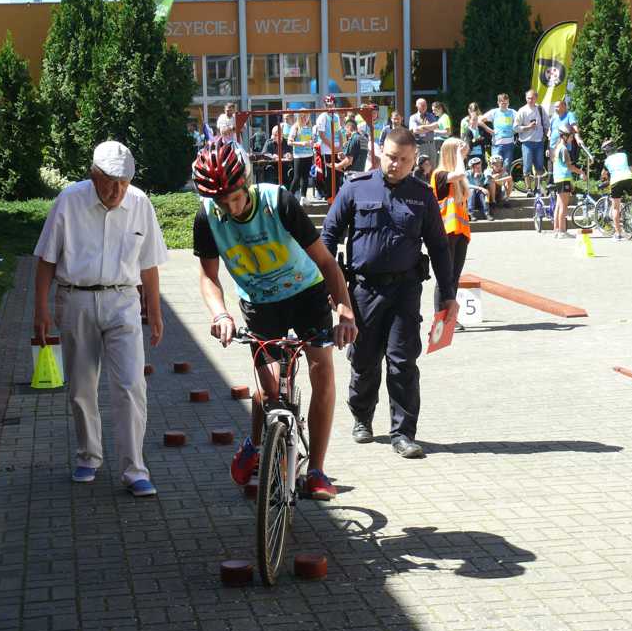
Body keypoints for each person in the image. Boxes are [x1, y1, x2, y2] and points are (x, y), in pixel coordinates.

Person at [191, 140, 358, 500]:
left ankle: (316, 470)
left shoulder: (277, 201)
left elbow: (327, 263)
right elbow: (208, 276)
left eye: (235, 197)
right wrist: (219, 313)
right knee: (268, 386)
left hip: (305, 293)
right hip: (259, 302)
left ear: (247, 182)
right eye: (222, 201)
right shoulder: (207, 217)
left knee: (321, 367)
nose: (231, 207)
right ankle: (256, 443)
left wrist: (344, 309)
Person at [33, 141, 169, 497]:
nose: (116, 191)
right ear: (93, 175)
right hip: (75, 298)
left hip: (123, 300)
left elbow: (149, 262)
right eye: (109, 182)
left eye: (123, 183)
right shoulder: (69, 200)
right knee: (81, 386)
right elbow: (46, 258)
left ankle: (134, 468)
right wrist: (41, 309)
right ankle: (89, 455)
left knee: (130, 385)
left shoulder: (139, 203)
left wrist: (154, 311)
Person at [321, 128, 458, 458]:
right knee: (365, 360)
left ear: (415, 161)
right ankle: (362, 418)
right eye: (391, 157)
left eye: (404, 160)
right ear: (380, 153)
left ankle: (403, 433)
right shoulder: (355, 188)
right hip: (363, 289)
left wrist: (448, 295)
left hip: (404, 290)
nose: (395, 164)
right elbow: (327, 238)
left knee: (402, 362)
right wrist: (331, 290)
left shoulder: (422, 195)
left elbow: (439, 247)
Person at [430, 137, 472, 314]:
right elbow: (460, 173)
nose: (462, 156)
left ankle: (449, 316)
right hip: (445, 232)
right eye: (458, 153)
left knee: (454, 277)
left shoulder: (458, 181)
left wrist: (462, 150)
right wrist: (458, 154)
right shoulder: (439, 174)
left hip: (461, 233)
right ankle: (440, 315)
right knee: (444, 278)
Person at [551, 126, 584, 239]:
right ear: (564, 136)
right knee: (564, 206)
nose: (572, 139)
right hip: (564, 178)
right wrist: (581, 172)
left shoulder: (557, 147)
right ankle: (562, 231)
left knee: (559, 205)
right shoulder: (563, 149)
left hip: (558, 178)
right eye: (570, 136)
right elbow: (569, 166)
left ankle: (556, 230)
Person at [515, 89, 548, 185]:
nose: (530, 100)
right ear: (525, 98)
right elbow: (515, 128)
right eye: (528, 98)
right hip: (527, 143)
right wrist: (527, 127)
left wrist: (546, 136)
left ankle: (538, 188)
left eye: (532, 98)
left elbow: (546, 124)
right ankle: (529, 189)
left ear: (536, 98)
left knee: (539, 166)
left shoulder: (541, 109)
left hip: (539, 142)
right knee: (527, 167)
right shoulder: (522, 110)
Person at [315, 94, 344, 199]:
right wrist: (332, 147)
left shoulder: (336, 116)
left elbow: (339, 132)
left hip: (336, 148)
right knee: (329, 174)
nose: (330, 107)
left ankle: (336, 194)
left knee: (338, 173)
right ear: (325, 106)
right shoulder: (322, 117)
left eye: (332, 104)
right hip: (327, 149)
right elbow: (321, 135)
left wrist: (340, 146)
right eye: (328, 105)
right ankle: (330, 196)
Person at [481, 93, 518, 170]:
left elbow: (521, 121)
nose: (504, 105)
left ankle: (505, 182)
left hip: (509, 144)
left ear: (508, 103)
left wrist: (515, 130)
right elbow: (479, 120)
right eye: (502, 103)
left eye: (506, 103)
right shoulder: (494, 112)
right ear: (498, 103)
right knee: (495, 167)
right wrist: (490, 130)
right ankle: (495, 182)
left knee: (507, 166)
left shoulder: (512, 112)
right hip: (496, 144)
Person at [288, 111, 315, 200]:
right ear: (299, 117)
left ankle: (303, 197)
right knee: (296, 177)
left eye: (306, 116)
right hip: (298, 156)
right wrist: (301, 143)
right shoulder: (295, 127)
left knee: (305, 177)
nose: (305, 118)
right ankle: (289, 197)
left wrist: (311, 143)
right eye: (303, 116)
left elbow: (312, 140)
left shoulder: (310, 127)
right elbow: (289, 142)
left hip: (309, 155)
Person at [409, 98, 437, 164]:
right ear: (417, 106)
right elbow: (415, 130)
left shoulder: (431, 116)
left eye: (425, 105)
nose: (424, 107)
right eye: (422, 105)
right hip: (421, 146)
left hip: (431, 145)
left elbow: (436, 126)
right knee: (421, 167)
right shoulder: (413, 117)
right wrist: (430, 128)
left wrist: (422, 127)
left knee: (433, 166)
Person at [466, 156, 493, 221]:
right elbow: (466, 185)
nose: (479, 169)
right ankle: (470, 213)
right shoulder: (467, 173)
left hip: (479, 198)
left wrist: (479, 179)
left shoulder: (482, 174)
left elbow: (485, 185)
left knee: (483, 192)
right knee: (472, 190)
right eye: (477, 168)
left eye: (480, 167)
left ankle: (486, 213)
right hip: (469, 197)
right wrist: (479, 187)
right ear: (472, 168)